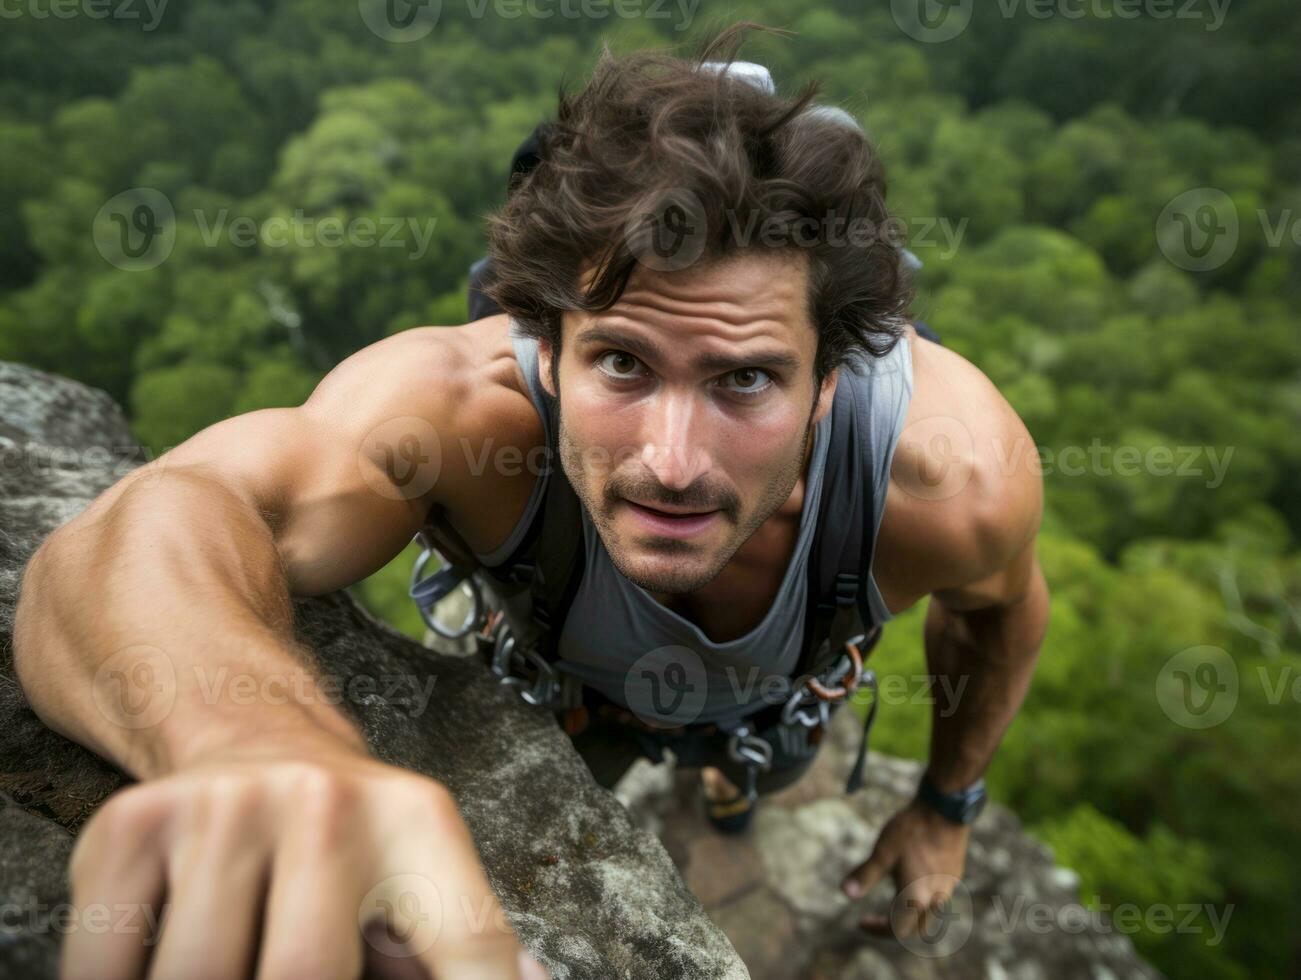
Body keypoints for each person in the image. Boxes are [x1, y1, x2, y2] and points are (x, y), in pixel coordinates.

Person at [12, 23, 1048, 979]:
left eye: (743, 379)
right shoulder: (460, 413)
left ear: (827, 377)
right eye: (622, 363)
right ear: (542, 346)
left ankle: (728, 784)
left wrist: (946, 805)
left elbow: (999, 609)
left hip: (773, 704)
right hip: (569, 696)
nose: (675, 462)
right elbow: (164, 516)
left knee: (760, 766)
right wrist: (255, 751)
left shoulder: (944, 483)